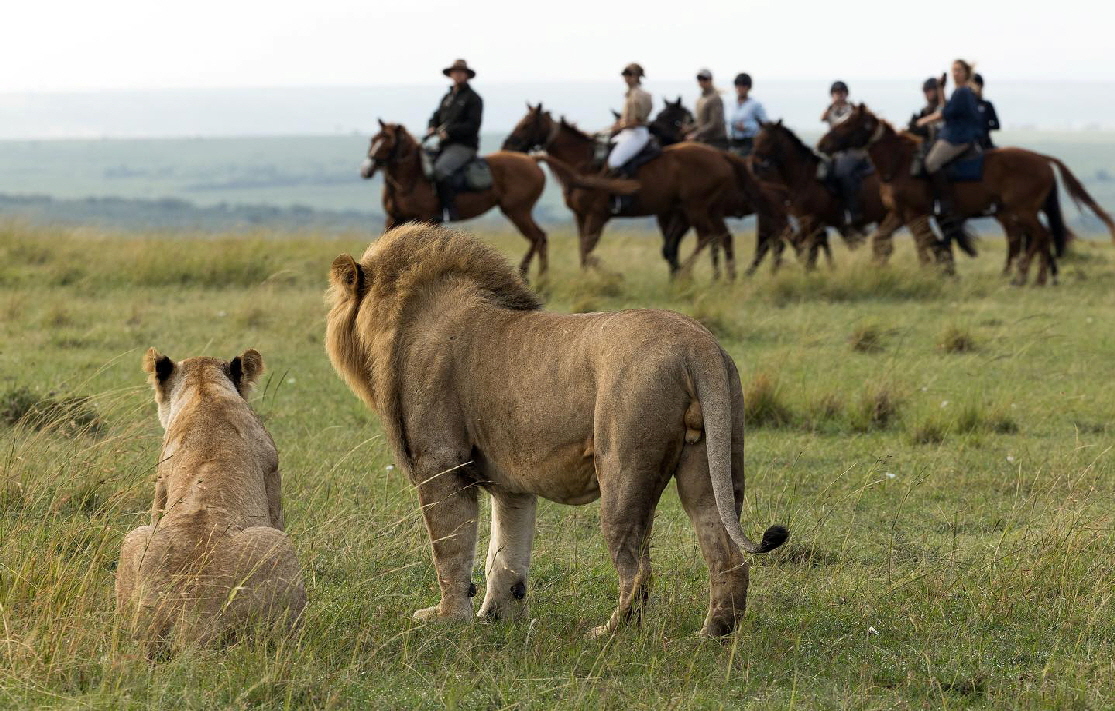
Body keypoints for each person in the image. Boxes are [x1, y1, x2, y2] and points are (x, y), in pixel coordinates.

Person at [916, 59, 982, 255]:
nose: (955, 74)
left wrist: (923, 121)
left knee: (931, 162)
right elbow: (947, 108)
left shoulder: (962, 91)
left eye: (959, 70)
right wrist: (942, 89)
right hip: (953, 133)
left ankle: (943, 201)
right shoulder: (960, 91)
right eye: (953, 70)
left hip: (958, 136)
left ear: (966, 72)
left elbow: (944, 113)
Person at [426, 59, 483, 222]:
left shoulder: (473, 99)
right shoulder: (447, 97)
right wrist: (431, 127)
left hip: (463, 146)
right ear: (450, 75)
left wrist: (449, 132)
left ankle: (447, 210)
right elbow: (435, 117)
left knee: (440, 170)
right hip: (443, 145)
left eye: (461, 72)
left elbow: (472, 125)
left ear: (467, 75)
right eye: (455, 72)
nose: (457, 75)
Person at [820, 80, 869, 229]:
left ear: (846, 94)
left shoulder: (852, 110)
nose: (839, 96)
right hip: (834, 152)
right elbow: (822, 118)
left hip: (852, 151)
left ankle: (853, 211)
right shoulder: (831, 111)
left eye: (841, 93)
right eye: (836, 94)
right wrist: (830, 107)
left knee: (844, 173)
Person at [607, 63, 653, 172]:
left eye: (630, 75)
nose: (627, 78)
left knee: (614, 162)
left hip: (636, 133)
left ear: (637, 77)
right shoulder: (630, 94)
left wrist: (619, 127)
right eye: (625, 75)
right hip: (628, 133)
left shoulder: (639, 95)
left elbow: (637, 121)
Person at [686, 68, 728, 148]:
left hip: (716, 142)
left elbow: (715, 123)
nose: (702, 82)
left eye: (705, 79)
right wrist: (689, 128)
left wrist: (696, 134)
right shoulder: (700, 100)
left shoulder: (715, 98)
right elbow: (700, 122)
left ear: (710, 80)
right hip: (704, 141)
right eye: (699, 79)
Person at [727, 73, 767, 156]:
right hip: (733, 141)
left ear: (748, 88)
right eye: (738, 86)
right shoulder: (731, 104)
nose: (740, 89)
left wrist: (747, 127)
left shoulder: (755, 105)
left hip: (749, 142)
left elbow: (764, 126)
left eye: (743, 86)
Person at [972, 73, 1000, 149]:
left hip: (985, 143)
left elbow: (997, 125)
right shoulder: (966, 105)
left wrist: (984, 126)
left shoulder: (987, 105)